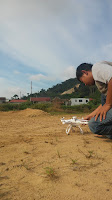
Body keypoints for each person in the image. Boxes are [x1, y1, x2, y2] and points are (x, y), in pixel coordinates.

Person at [76, 61, 112, 138]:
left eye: (83, 81)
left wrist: (108, 104)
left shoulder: (96, 68)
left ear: (85, 72)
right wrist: (90, 116)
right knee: (108, 134)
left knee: (94, 125)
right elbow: (103, 105)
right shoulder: (101, 82)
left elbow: (106, 104)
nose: (85, 84)